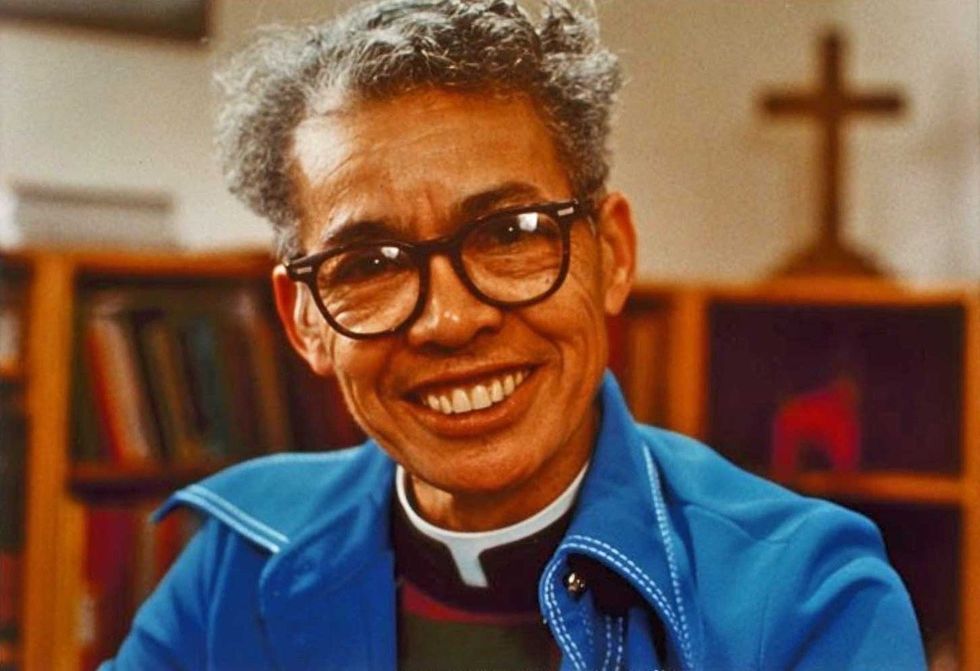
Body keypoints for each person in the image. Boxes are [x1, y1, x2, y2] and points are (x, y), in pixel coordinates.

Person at [106, 1, 926, 669]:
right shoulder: (237, 566)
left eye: (509, 232)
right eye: (369, 262)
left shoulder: (806, 598)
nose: (450, 319)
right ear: (304, 321)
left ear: (611, 255)